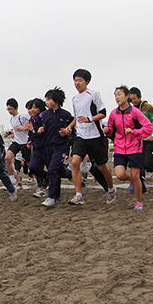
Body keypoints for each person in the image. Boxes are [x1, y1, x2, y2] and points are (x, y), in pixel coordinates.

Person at [66, 69, 116, 205]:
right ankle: (78, 195)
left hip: (96, 136)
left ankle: (111, 189)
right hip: (81, 136)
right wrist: (69, 127)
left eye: (80, 80)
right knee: (75, 162)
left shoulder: (93, 94)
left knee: (101, 166)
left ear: (86, 81)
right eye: (75, 80)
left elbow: (103, 113)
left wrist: (89, 119)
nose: (77, 83)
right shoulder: (74, 99)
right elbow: (77, 117)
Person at [104, 86, 153, 210]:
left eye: (119, 94)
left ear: (127, 96)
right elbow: (111, 131)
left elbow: (148, 127)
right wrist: (107, 131)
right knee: (120, 175)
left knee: (135, 175)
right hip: (119, 148)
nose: (117, 97)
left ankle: (138, 202)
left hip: (134, 147)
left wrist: (134, 132)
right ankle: (133, 179)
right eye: (115, 95)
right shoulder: (114, 113)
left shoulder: (135, 112)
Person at [38, 88, 74, 207]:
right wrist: (38, 131)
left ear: (56, 100)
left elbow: (72, 129)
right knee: (57, 171)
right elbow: (37, 129)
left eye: (48, 99)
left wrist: (68, 131)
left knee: (52, 170)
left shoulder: (66, 115)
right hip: (47, 147)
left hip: (61, 147)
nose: (46, 102)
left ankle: (51, 198)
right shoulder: (43, 115)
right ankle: (72, 174)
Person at [130, 87, 153, 191]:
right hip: (137, 141)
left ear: (140, 97)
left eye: (135, 98)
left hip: (149, 141)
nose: (133, 101)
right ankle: (142, 188)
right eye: (131, 99)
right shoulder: (131, 109)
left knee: (148, 165)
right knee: (137, 166)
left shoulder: (148, 108)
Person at [4, 98, 31, 186]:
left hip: (25, 142)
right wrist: (8, 133)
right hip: (16, 142)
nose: (9, 111)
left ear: (16, 108)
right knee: (7, 158)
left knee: (28, 164)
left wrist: (22, 128)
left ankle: (39, 182)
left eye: (11, 109)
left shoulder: (21, 117)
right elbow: (14, 130)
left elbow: (30, 127)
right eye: (8, 109)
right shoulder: (11, 118)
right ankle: (12, 178)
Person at [25, 98, 48, 199]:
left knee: (55, 169)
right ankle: (42, 185)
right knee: (34, 167)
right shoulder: (31, 120)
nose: (31, 110)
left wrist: (33, 131)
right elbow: (33, 134)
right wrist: (31, 141)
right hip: (37, 148)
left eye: (34, 108)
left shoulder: (45, 118)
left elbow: (42, 133)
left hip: (47, 147)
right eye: (29, 108)